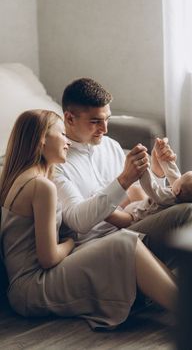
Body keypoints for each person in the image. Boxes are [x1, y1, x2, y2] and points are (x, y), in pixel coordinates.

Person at [0, 109, 177, 330]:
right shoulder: (41, 186)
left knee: (124, 240)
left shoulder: (17, 177)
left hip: (26, 284)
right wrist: (71, 242)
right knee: (125, 242)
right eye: (62, 135)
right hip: (31, 287)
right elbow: (48, 258)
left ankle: (190, 304)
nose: (67, 142)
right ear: (42, 140)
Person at [54, 78, 192, 264]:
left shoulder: (111, 147)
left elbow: (143, 201)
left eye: (107, 119)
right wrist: (124, 180)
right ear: (69, 118)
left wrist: (157, 170)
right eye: (95, 121)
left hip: (133, 221)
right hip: (102, 241)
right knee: (188, 212)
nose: (105, 129)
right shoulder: (57, 162)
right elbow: (79, 223)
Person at [108, 137, 192, 224]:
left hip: (137, 217)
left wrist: (143, 169)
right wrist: (165, 161)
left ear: (178, 191)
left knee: (115, 215)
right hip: (141, 205)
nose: (179, 176)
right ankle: (116, 206)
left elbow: (151, 187)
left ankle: (105, 209)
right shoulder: (180, 194)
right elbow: (174, 175)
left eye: (182, 177)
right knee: (135, 190)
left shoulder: (166, 197)